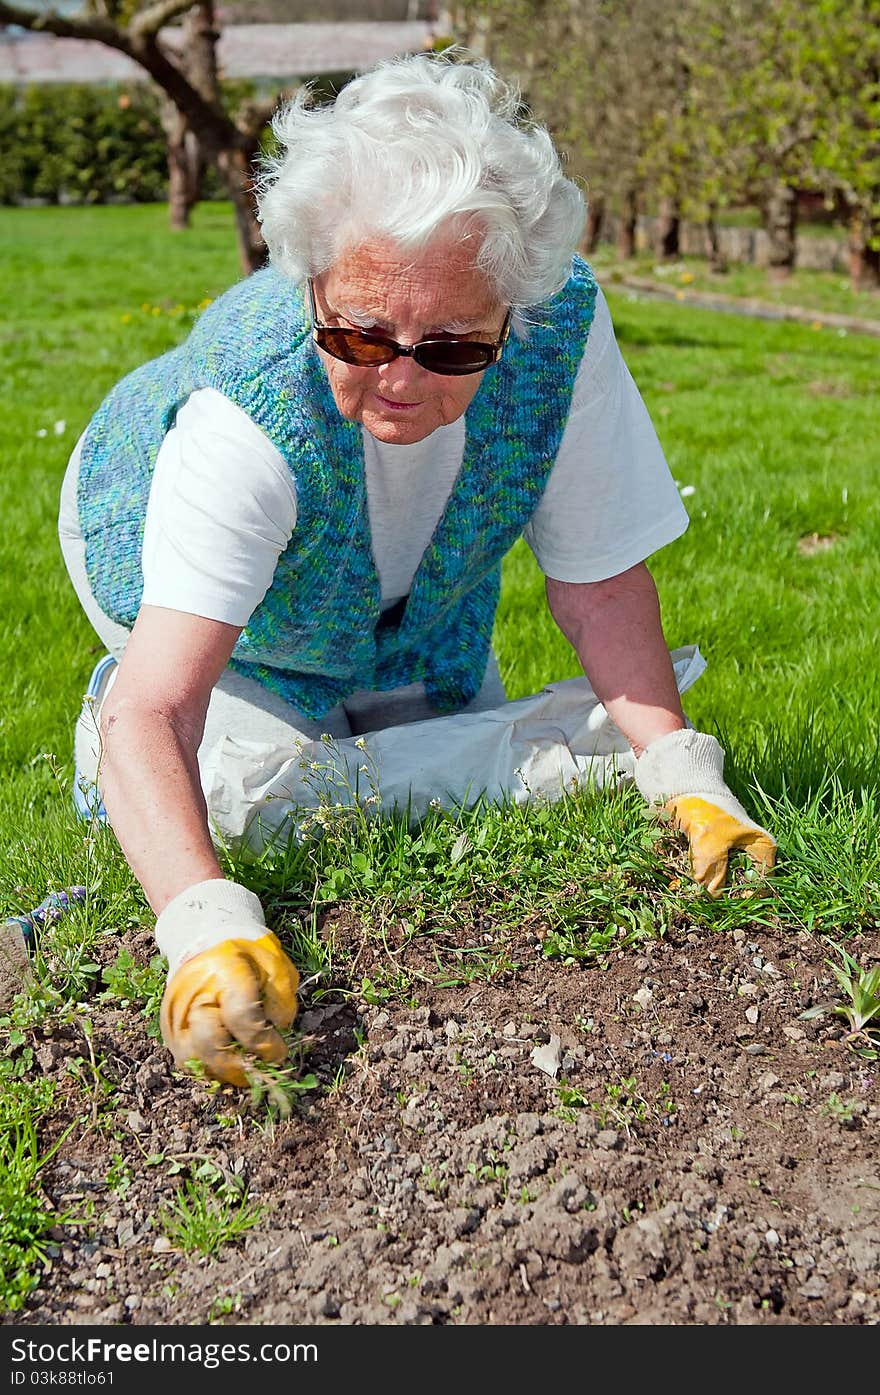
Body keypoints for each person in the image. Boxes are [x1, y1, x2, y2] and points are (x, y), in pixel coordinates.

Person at [58, 53, 775, 1088]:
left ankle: (516, 746)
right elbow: (157, 709)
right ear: (311, 284)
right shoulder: (244, 418)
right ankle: (521, 752)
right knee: (239, 796)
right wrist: (204, 927)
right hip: (215, 598)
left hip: (418, 594)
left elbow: (598, 580)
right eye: (359, 333)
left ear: (512, 311)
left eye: (449, 347)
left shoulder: (555, 332)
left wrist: (680, 769)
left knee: (406, 733)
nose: (397, 378)